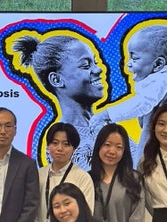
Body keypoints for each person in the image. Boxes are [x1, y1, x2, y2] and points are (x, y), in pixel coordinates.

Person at [12, 35, 105, 169]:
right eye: (85, 65)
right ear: (56, 80)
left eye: (95, 62)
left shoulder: (104, 124)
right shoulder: (62, 139)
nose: (98, 69)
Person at [90, 25, 167, 159]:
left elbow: (141, 103)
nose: (128, 64)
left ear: (158, 64)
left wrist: (107, 114)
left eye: (134, 58)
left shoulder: (161, 79)